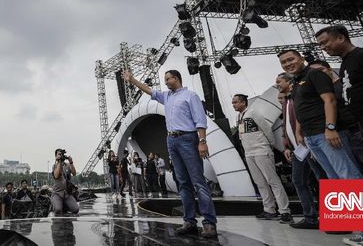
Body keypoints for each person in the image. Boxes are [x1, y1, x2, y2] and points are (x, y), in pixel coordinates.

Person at [278, 49, 363, 246]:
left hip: (326, 135)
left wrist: (330, 127)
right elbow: (303, 108)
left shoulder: (315, 74)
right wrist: (301, 133)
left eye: (291, 59)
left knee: (352, 183)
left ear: (301, 58)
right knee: (338, 186)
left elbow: (329, 100)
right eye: (284, 62)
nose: (287, 64)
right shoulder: (297, 82)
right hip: (312, 138)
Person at [123, 69, 217, 238]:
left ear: (176, 78)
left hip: (188, 138)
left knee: (198, 181)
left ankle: (209, 223)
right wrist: (132, 80)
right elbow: (149, 90)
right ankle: (189, 221)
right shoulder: (167, 97)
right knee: (182, 182)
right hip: (172, 140)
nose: (165, 82)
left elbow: (200, 120)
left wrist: (202, 141)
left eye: (167, 79)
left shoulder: (190, 95)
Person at [316, 26, 363, 177]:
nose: (323, 47)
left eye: (325, 42)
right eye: (320, 45)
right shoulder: (345, 64)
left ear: (341, 38)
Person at [232, 93, 292, 223]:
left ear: (243, 102)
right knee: (260, 182)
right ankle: (269, 209)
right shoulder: (239, 117)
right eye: (233, 103)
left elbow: (266, 129)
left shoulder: (253, 112)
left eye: (236, 102)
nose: (234, 105)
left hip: (261, 150)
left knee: (272, 181)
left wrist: (268, 144)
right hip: (249, 152)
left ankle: (285, 211)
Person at [276, 72, 323, 230]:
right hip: (297, 150)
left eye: (279, 81)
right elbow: (287, 127)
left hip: (310, 144)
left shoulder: (298, 98)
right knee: (299, 181)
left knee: (323, 179)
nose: (277, 84)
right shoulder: (286, 102)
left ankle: (336, 218)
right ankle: (310, 217)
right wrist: (287, 146)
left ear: (289, 82)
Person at [51, 149, 79, 215]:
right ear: (55, 156)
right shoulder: (55, 166)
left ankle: (64, 205)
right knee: (58, 210)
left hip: (67, 193)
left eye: (62, 154)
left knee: (75, 210)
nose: (61, 156)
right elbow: (56, 175)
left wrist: (71, 162)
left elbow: (74, 173)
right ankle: (55, 204)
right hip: (57, 193)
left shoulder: (67, 165)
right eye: (59, 154)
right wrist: (59, 162)